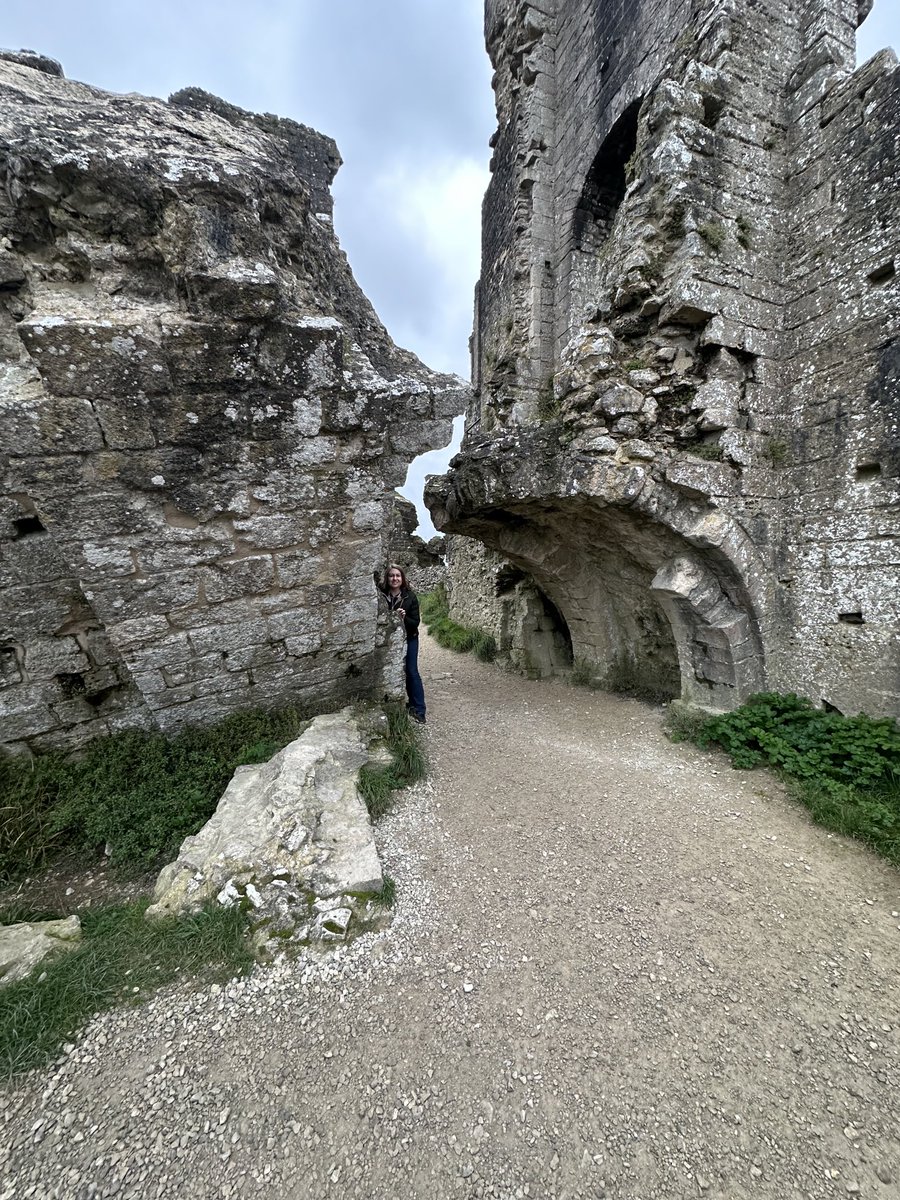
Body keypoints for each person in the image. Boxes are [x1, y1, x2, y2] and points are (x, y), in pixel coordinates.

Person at [382, 564, 426, 724]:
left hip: (410, 638)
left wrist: (403, 618)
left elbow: (415, 622)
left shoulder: (410, 597)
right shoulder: (381, 596)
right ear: (387, 578)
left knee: (411, 671)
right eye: (391, 576)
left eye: (397, 576)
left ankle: (419, 710)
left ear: (402, 579)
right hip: (389, 642)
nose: (394, 578)